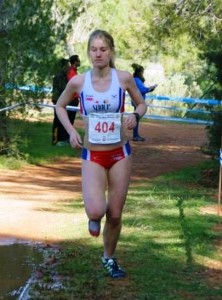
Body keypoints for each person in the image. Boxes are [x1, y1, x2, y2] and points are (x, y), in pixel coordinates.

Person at [56, 29, 147, 278]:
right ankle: (94, 217)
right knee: (96, 211)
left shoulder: (124, 78)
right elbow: (60, 106)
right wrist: (71, 132)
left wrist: (134, 116)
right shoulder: (78, 82)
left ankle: (109, 257)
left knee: (115, 214)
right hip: (92, 155)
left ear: (111, 52)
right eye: (94, 49)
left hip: (120, 153)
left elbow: (141, 103)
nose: (98, 54)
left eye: (103, 49)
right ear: (89, 52)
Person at [131, 63, 157, 142]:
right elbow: (142, 90)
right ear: (140, 72)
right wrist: (150, 88)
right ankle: (135, 136)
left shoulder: (135, 79)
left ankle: (136, 135)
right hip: (138, 101)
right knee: (136, 118)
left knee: (136, 118)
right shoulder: (137, 80)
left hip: (137, 101)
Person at [52, 58, 70, 146]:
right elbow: (63, 89)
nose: (69, 68)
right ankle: (55, 139)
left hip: (62, 101)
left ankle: (62, 138)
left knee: (62, 120)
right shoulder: (59, 76)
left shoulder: (64, 75)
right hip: (58, 101)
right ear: (63, 66)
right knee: (57, 120)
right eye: (67, 66)